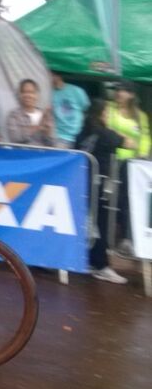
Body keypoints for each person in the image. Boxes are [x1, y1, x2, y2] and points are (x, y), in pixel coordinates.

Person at [75, 99, 133, 284]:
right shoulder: (105, 133)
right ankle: (101, 266)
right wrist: (121, 133)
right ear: (101, 114)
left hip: (83, 183)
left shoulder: (82, 134)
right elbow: (130, 143)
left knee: (90, 224)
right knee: (101, 223)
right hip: (100, 184)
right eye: (106, 112)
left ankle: (92, 261)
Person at [105, 81, 150, 255]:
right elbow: (108, 132)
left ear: (131, 94)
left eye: (122, 90)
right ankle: (108, 239)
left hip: (132, 163)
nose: (118, 93)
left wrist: (142, 154)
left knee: (128, 200)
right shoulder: (110, 109)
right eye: (117, 90)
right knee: (110, 199)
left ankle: (126, 238)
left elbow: (145, 137)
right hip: (113, 159)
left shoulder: (140, 115)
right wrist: (124, 141)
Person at [6, 79, 55, 146]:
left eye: (31, 92)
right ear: (20, 95)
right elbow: (15, 138)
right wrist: (37, 127)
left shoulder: (45, 115)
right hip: (22, 154)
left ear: (37, 95)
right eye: (24, 92)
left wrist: (48, 133)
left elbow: (52, 144)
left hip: (42, 155)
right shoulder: (14, 115)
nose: (28, 95)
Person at [52, 72, 90, 148]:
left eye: (50, 74)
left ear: (58, 76)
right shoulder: (48, 93)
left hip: (78, 137)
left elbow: (86, 109)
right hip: (59, 137)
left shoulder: (77, 91)